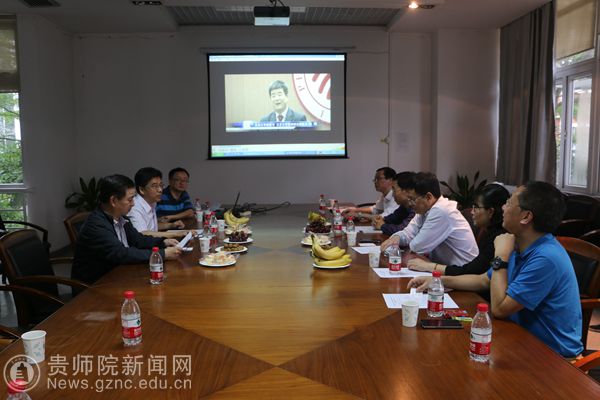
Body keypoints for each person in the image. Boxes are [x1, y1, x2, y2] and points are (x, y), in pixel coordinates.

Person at [408, 181, 583, 358]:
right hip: (519, 339)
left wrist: (501, 257)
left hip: (552, 355)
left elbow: (500, 308)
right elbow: (483, 280)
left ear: (526, 217)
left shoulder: (545, 257)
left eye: (509, 203)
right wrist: (437, 281)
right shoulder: (519, 243)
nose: (503, 208)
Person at [72, 174, 181, 284]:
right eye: (130, 199)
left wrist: (163, 242)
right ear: (113, 201)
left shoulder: (121, 217)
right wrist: (163, 254)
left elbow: (138, 239)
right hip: (97, 284)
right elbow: (121, 253)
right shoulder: (96, 225)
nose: (133, 203)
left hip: (119, 274)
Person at [408, 183, 510, 275]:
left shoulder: (499, 238)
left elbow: (472, 272)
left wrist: (430, 267)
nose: (472, 212)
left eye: (476, 207)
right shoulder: (489, 233)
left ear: (490, 211)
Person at [381, 172, 478, 266]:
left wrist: (401, 242)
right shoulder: (424, 209)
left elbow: (417, 246)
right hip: (442, 268)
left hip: (462, 272)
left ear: (428, 197)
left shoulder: (442, 211)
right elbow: (408, 233)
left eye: (413, 199)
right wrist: (396, 238)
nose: (410, 203)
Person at [128, 167, 185, 236]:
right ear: (141, 190)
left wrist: (171, 225)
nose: (160, 190)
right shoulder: (135, 208)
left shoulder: (152, 202)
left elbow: (152, 227)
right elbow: (143, 235)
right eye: (155, 186)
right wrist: (175, 234)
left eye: (161, 185)